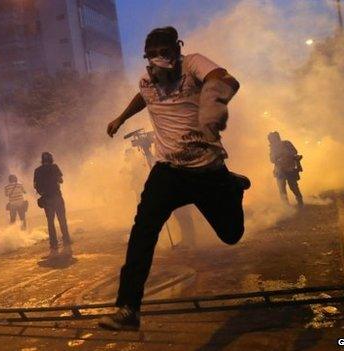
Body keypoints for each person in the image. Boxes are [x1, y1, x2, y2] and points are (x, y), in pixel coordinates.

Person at [98, 26, 250, 331]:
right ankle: (128, 308)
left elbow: (225, 78)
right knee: (143, 231)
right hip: (168, 171)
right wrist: (121, 118)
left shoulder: (193, 64)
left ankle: (232, 186)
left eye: (165, 53)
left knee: (231, 234)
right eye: (152, 56)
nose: (158, 61)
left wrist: (212, 101)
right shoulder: (147, 80)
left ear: (176, 50)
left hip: (207, 168)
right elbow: (143, 96)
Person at [34, 152, 71, 255]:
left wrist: (43, 192)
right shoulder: (54, 167)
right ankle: (66, 241)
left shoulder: (37, 171)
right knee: (62, 220)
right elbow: (61, 180)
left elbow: (35, 185)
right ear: (51, 159)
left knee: (50, 223)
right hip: (57, 197)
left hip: (47, 199)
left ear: (42, 159)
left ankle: (54, 245)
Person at [268, 131, 304, 207]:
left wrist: (286, 154)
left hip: (290, 168)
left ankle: (300, 201)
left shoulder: (286, 143)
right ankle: (286, 206)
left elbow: (294, 151)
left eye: (273, 139)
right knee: (282, 189)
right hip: (279, 170)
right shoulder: (272, 148)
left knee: (293, 186)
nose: (272, 141)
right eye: (271, 139)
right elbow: (271, 159)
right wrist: (277, 157)